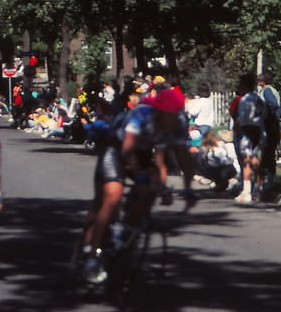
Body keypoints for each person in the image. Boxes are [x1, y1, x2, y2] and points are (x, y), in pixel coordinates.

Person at [77, 88, 196, 283]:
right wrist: (139, 174)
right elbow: (127, 149)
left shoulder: (178, 124)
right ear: (160, 112)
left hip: (141, 153)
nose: (174, 119)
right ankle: (92, 255)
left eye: (177, 115)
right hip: (115, 149)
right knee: (112, 196)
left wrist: (186, 189)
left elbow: (178, 158)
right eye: (170, 115)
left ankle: (126, 233)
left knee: (149, 188)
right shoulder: (141, 115)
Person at [234, 73, 268, 203]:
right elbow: (264, 114)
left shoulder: (245, 99)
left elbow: (242, 116)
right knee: (254, 157)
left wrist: (237, 125)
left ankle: (247, 190)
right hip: (259, 129)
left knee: (247, 159)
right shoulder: (259, 98)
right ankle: (258, 186)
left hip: (247, 129)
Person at [257, 72, 281, 191]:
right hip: (271, 124)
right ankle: (266, 178)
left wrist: (268, 117)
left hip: (269, 125)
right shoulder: (272, 90)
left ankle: (268, 179)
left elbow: (272, 105)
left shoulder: (267, 91)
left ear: (263, 82)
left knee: (268, 153)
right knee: (268, 153)